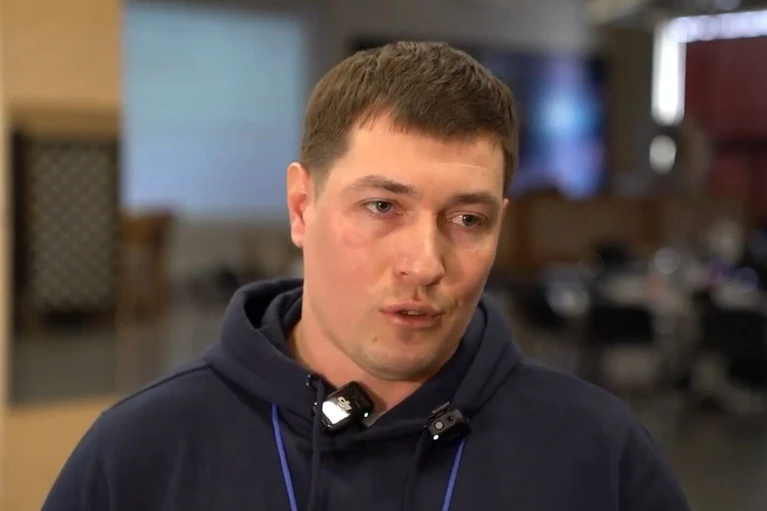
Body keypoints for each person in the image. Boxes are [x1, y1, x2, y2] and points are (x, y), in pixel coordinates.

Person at [43, 41, 690, 511]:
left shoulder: (598, 455)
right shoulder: (140, 455)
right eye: (382, 207)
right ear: (302, 207)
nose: (425, 264)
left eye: (467, 219)